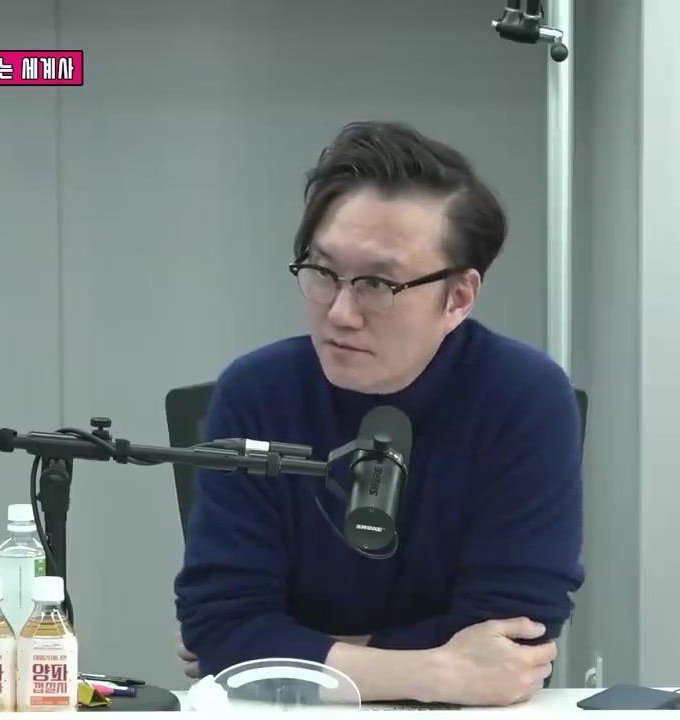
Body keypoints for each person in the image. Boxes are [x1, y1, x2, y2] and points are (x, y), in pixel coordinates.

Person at [173, 120, 584, 707]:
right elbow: (221, 631)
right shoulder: (257, 391)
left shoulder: (524, 396)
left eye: (377, 284)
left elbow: (513, 637)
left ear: (458, 297)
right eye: (323, 272)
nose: (341, 312)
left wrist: (295, 651)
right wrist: (433, 672)